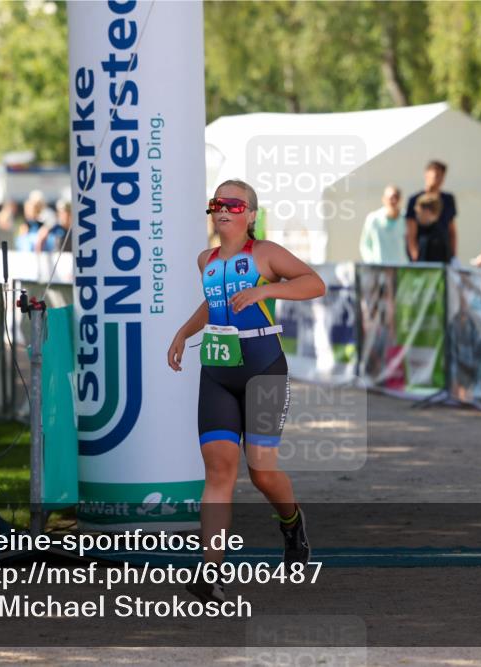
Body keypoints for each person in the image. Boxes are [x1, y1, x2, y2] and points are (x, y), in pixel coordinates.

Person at [167, 179, 326, 604]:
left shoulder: (266, 253)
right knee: (219, 469)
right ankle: (210, 571)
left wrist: (266, 289)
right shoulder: (206, 259)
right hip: (218, 370)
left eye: (234, 204)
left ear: (251, 215)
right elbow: (213, 302)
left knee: (261, 472)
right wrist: (184, 332)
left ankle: (292, 523)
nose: (223, 210)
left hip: (264, 370)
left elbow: (314, 284)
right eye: (217, 203)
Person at [405, 160, 457, 262]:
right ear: (426, 175)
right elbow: (411, 232)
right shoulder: (415, 199)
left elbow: (452, 230)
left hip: (443, 252)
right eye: (435, 175)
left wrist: (453, 255)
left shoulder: (448, 199)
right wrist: (415, 256)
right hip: (424, 251)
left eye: (441, 176)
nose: (438, 179)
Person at [359, 185, 406, 264]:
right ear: (384, 199)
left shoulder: (406, 219)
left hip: (402, 268)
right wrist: (372, 263)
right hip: (380, 269)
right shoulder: (373, 219)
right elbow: (365, 245)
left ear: (400, 199)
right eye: (390, 198)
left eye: (396, 197)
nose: (393, 201)